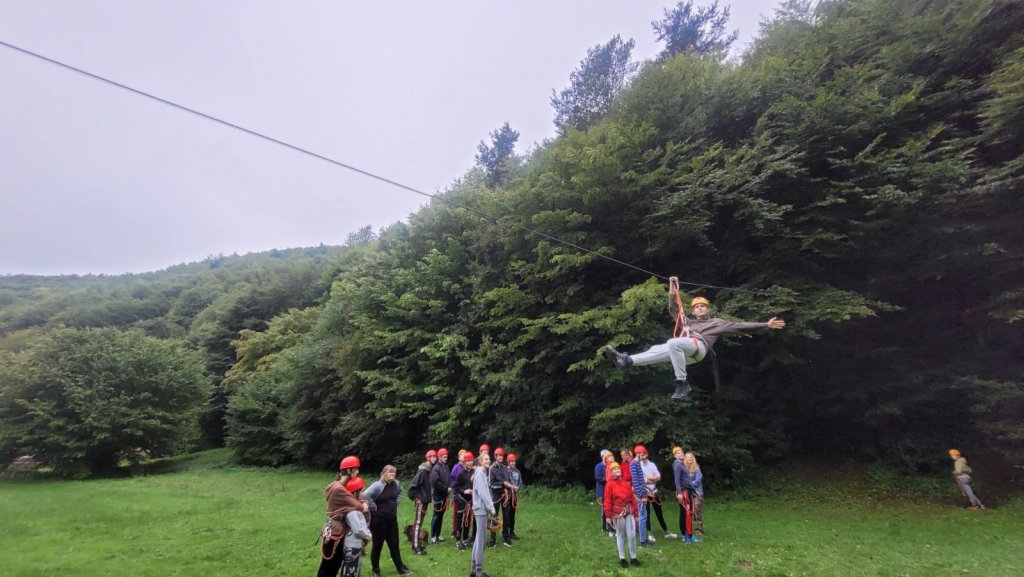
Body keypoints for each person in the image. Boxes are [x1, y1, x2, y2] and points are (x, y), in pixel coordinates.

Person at [604, 277, 786, 400]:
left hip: (698, 349)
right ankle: (626, 361)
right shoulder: (687, 321)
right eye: (697, 307)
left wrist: (765, 325)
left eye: (703, 306)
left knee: (673, 343)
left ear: (707, 309)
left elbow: (740, 326)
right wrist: (672, 289)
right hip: (685, 353)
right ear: (693, 310)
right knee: (656, 350)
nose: (700, 308)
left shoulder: (717, 323)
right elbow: (673, 309)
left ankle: (682, 383)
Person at [317, 456, 369, 577]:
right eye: (356, 469)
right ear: (349, 470)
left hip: (334, 531)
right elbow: (360, 507)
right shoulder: (339, 489)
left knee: (329, 567)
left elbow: (350, 504)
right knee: (329, 568)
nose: (358, 472)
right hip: (336, 534)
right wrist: (364, 503)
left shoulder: (336, 484)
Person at [364, 465, 412, 577]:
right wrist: (374, 507)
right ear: (384, 473)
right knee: (377, 546)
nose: (392, 474)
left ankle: (400, 568)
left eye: (394, 472)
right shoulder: (377, 486)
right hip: (378, 521)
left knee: (394, 545)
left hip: (392, 520)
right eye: (390, 472)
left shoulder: (396, 484)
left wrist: (396, 503)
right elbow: (366, 495)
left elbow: (400, 492)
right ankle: (375, 571)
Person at [603, 462, 641, 568]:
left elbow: (632, 499)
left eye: (618, 468)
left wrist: (636, 514)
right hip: (617, 514)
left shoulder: (626, 484)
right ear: (611, 472)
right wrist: (608, 516)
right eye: (614, 469)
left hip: (628, 512)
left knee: (632, 535)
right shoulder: (609, 485)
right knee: (620, 535)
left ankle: (633, 557)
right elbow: (607, 501)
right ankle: (622, 558)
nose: (617, 470)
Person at [636, 446, 677, 541]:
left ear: (646, 454)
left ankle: (666, 531)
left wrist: (649, 479)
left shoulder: (652, 465)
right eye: (640, 454)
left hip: (654, 491)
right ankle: (649, 533)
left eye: (644, 454)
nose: (642, 456)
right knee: (647, 513)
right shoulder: (638, 466)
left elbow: (658, 477)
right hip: (645, 492)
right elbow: (642, 480)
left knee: (659, 512)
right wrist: (652, 479)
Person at [340, 477, 373, 577]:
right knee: (349, 572)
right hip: (352, 544)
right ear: (355, 493)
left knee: (354, 569)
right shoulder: (352, 511)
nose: (363, 493)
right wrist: (368, 534)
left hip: (356, 543)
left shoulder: (357, 506)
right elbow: (358, 529)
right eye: (361, 490)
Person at [470, 451, 497, 577]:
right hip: (481, 510)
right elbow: (483, 494)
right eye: (485, 459)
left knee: (478, 539)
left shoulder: (481, 473)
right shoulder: (480, 474)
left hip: (480, 509)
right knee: (481, 541)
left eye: (489, 459)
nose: (488, 461)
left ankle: (474, 570)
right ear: (480, 461)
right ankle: (478, 573)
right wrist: (492, 509)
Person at [407, 450, 435, 555]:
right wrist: (416, 498)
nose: (435, 459)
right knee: (417, 523)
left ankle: (418, 544)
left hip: (425, 501)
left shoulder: (428, 470)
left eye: (435, 457)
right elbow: (412, 486)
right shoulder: (423, 471)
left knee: (419, 522)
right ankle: (415, 548)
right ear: (428, 458)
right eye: (433, 457)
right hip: (421, 502)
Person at [488, 447, 514, 548]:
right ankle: (492, 539)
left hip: (505, 496)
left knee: (506, 516)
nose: (501, 457)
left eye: (502, 456)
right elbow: (491, 484)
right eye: (499, 456)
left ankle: (506, 537)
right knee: (494, 517)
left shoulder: (504, 468)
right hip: (495, 496)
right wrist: (503, 484)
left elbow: (509, 480)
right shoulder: (492, 468)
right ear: (495, 457)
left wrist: (510, 485)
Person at [628, 445, 651, 548]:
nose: (643, 455)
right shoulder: (634, 464)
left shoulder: (637, 463)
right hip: (640, 495)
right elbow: (636, 482)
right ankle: (642, 541)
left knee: (644, 517)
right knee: (642, 517)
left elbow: (641, 481)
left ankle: (644, 539)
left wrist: (645, 492)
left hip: (642, 493)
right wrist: (641, 496)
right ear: (637, 454)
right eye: (642, 454)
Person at [452, 451, 475, 550]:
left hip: (471, 501)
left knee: (468, 519)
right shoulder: (461, 474)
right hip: (462, 500)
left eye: (471, 461)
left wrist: (474, 491)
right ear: (464, 462)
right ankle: (458, 540)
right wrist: (464, 491)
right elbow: (455, 486)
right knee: (459, 520)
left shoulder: (475, 473)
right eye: (468, 461)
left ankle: (465, 539)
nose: (469, 463)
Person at [429, 448, 451, 544]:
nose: (446, 458)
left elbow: (448, 479)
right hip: (438, 496)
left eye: (446, 457)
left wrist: (449, 487)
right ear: (439, 457)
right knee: (436, 515)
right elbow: (435, 482)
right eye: (444, 457)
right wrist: (445, 489)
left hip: (445, 495)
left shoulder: (446, 467)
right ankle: (433, 536)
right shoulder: (436, 468)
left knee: (441, 516)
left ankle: (438, 535)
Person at [683, 452, 704, 537]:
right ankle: (688, 529)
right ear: (685, 459)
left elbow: (698, 480)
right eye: (688, 457)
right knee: (688, 512)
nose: (689, 459)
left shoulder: (697, 468)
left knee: (696, 512)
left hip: (697, 493)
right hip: (688, 493)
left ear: (693, 458)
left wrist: (689, 485)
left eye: (691, 457)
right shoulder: (683, 468)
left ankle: (699, 530)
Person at [449, 449, 468, 539]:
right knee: (457, 513)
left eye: (465, 454)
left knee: (466, 513)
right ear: (459, 457)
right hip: (457, 494)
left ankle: (464, 529)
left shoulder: (468, 467)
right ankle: (455, 530)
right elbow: (452, 481)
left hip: (466, 495)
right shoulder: (456, 468)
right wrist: (455, 491)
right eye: (462, 454)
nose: (463, 456)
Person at [595, 450, 614, 536]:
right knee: (604, 509)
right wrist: (607, 479)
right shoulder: (599, 466)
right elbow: (598, 477)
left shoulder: (610, 466)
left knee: (611, 509)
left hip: (610, 490)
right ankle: (604, 527)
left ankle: (611, 526)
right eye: (606, 456)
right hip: (602, 491)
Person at [506, 453, 522, 540]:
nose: (513, 463)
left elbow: (520, 482)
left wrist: (517, 488)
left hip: (514, 496)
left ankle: (511, 531)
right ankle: (506, 532)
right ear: (508, 462)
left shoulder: (517, 472)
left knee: (512, 515)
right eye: (511, 461)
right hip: (507, 496)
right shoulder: (505, 470)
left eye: (514, 461)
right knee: (507, 515)